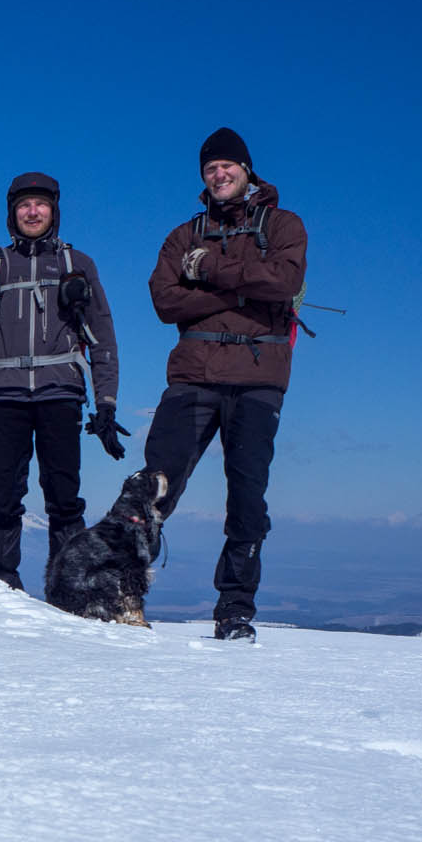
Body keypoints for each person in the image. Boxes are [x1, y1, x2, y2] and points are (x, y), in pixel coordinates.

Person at [143, 128, 309, 642]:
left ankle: (235, 610)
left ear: (247, 170)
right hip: (193, 374)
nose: (219, 174)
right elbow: (165, 302)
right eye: (210, 169)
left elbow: (283, 284)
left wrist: (210, 269)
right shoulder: (182, 235)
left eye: (227, 167)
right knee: (153, 487)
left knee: (247, 501)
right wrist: (240, 296)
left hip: (258, 380)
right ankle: (117, 590)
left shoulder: (282, 225)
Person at [0, 172, 122, 590]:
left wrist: (105, 401)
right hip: (5, 394)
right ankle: (3, 582)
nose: (32, 212)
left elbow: (102, 334)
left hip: (60, 392)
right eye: (23, 205)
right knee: (3, 494)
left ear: (54, 211)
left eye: (40, 205)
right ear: (11, 214)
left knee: (64, 495)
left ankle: (67, 587)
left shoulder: (77, 265)